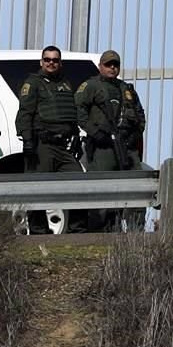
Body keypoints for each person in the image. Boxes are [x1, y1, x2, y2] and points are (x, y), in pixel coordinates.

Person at [75, 49, 146, 230]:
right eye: (108, 64)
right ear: (100, 66)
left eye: (115, 65)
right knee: (102, 191)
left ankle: (135, 232)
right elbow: (79, 112)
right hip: (103, 147)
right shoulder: (91, 86)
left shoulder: (126, 89)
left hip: (126, 147)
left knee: (137, 189)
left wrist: (135, 135)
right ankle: (99, 233)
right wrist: (95, 133)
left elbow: (140, 115)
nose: (112, 68)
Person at [14, 45, 82, 174]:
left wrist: (76, 136)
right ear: (41, 62)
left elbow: (70, 113)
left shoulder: (65, 84)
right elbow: (25, 113)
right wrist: (27, 140)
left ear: (60, 63)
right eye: (47, 59)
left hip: (63, 146)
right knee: (39, 186)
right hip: (42, 146)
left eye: (55, 60)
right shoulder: (33, 83)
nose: (51, 62)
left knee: (76, 179)